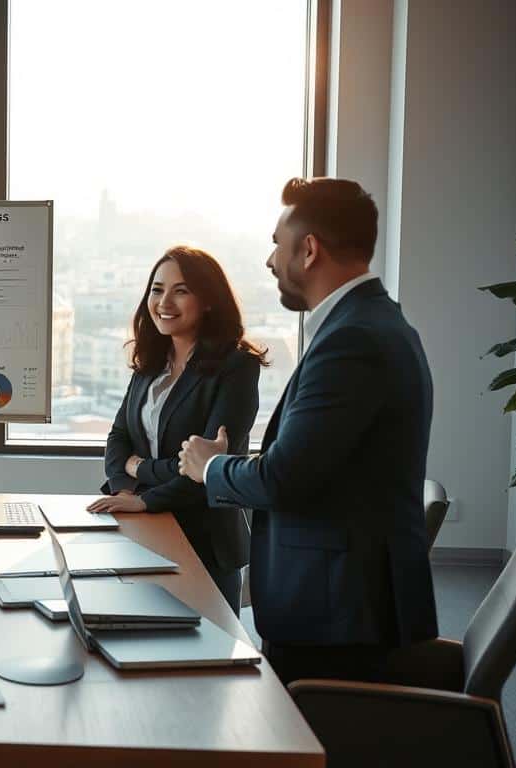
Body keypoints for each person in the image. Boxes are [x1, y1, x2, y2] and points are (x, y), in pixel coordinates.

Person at [178, 177, 438, 685]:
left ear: (309, 250)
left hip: (339, 618)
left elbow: (282, 477)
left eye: (277, 244)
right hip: (339, 604)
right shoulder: (367, 324)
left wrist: (209, 467)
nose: (271, 261)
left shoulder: (353, 340)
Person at [88, 246, 265, 613]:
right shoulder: (151, 362)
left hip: (203, 540)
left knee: (208, 660)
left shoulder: (236, 367)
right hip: (142, 530)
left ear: (209, 301)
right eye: (157, 289)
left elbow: (208, 465)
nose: (164, 301)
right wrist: (126, 489)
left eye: (181, 290)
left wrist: (143, 486)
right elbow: (118, 436)